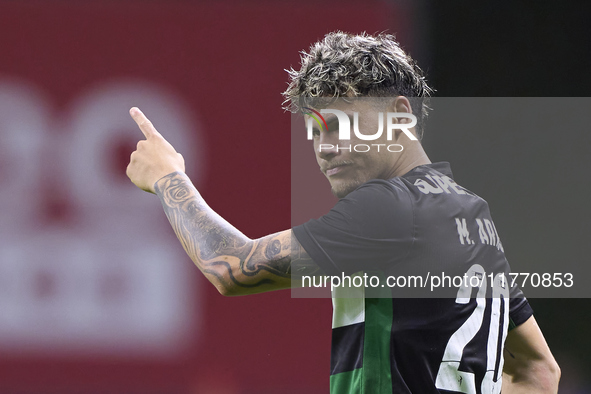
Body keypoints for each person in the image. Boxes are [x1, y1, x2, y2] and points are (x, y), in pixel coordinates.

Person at [126, 32, 560, 393]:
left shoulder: (391, 207)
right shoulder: (471, 213)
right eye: (314, 132)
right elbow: (539, 372)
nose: (324, 148)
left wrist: (168, 178)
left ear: (399, 117)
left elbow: (231, 267)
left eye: (337, 124)